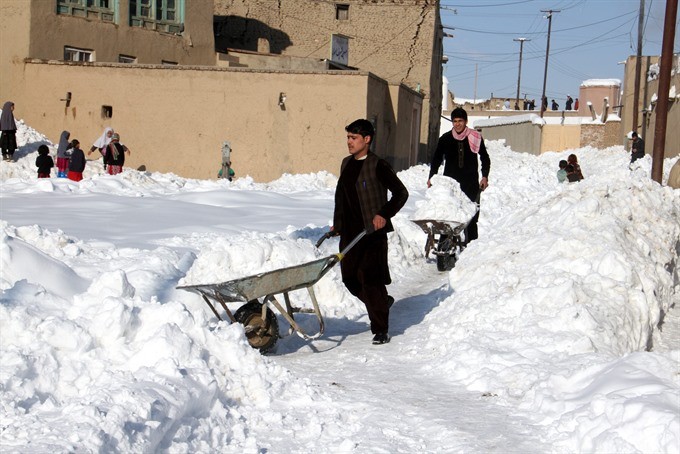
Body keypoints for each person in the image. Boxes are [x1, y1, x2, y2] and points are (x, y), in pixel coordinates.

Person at [332, 119, 408, 345]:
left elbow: (401, 193)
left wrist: (383, 214)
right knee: (349, 279)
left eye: (353, 138)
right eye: (348, 137)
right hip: (350, 234)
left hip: (372, 234)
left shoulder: (378, 165)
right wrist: (338, 223)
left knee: (370, 280)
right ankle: (382, 303)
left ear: (367, 139)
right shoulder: (346, 164)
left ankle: (381, 329)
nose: (349, 142)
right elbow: (340, 197)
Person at [428, 107, 490, 242]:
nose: (457, 124)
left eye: (460, 121)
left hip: (470, 183)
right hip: (450, 184)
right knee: (449, 217)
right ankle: (445, 247)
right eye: (455, 121)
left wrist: (484, 176)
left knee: (471, 217)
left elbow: (485, 158)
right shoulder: (445, 138)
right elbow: (436, 159)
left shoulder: (475, 137)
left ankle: (472, 247)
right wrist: (431, 176)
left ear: (466, 121)